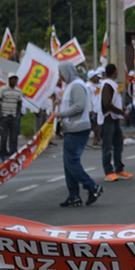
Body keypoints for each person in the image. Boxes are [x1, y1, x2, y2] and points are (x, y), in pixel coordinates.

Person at [55, 62, 104, 207]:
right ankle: (74, 195)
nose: (60, 75)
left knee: (72, 162)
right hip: (72, 128)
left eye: (61, 72)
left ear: (67, 71)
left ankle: (92, 187)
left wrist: (61, 114)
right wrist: (60, 102)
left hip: (77, 128)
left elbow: (80, 106)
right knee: (68, 163)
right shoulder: (71, 85)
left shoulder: (77, 85)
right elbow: (72, 103)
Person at [98, 64, 131, 182]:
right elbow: (106, 103)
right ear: (114, 72)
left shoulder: (112, 84)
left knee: (118, 145)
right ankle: (108, 172)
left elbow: (114, 101)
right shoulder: (107, 84)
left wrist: (122, 109)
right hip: (107, 120)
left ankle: (119, 169)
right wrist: (121, 112)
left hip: (114, 119)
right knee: (107, 147)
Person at [0, 73, 23, 160]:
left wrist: (17, 115)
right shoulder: (3, 89)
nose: (13, 81)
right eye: (12, 79)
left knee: (14, 136)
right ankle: (2, 152)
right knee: (3, 136)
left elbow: (19, 103)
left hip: (13, 116)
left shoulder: (18, 91)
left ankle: (13, 152)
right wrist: (0, 115)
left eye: (15, 79)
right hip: (4, 116)